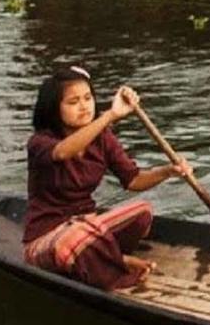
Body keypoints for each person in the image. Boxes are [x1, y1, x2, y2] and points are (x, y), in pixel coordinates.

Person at [23, 66, 192, 292]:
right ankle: (117, 266)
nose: (84, 106)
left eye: (87, 98)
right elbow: (64, 152)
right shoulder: (40, 142)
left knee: (142, 212)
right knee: (76, 235)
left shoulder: (103, 138)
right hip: (49, 238)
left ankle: (104, 258)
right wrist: (110, 115)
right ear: (55, 109)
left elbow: (133, 180)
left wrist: (168, 171)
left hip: (88, 227)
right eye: (73, 102)